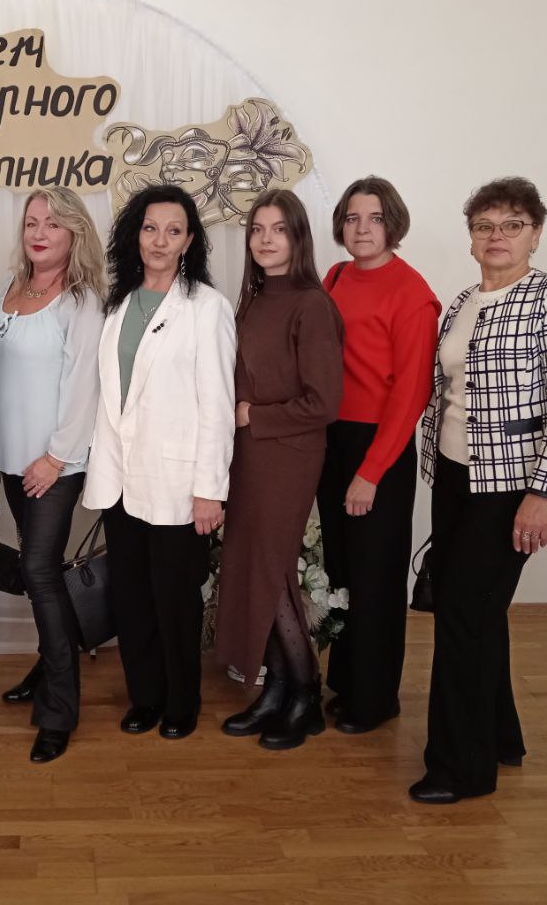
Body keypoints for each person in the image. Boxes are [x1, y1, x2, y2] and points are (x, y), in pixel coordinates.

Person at [410, 177, 547, 804]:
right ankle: (499, 736)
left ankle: (460, 769)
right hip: (454, 475)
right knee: (477, 610)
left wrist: (544, 493)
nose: (498, 236)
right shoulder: (463, 301)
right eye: (485, 226)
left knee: (464, 614)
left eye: (513, 225)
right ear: (470, 238)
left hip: (511, 484)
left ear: (535, 235)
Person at [83, 183, 236, 740]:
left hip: (177, 482)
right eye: (151, 228)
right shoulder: (118, 302)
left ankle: (181, 702)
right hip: (121, 479)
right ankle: (144, 696)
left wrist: (210, 489)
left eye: (174, 231)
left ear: (189, 241)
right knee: (132, 596)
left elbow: (218, 406)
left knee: (175, 600)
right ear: (135, 234)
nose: (160, 240)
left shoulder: (207, 309)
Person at [215, 189, 344, 750]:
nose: (266, 239)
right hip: (248, 456)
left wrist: (254, 416)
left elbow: (324, 402)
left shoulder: (311, 305)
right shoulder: (252, 298)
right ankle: (276, 691)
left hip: (287, 454)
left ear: (299, 238)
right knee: (252, 569)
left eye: (279, 229)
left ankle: (305, 695)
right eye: (257, 229)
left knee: (272, 573)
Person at [0, 186, 106, 763]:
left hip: (54, 463)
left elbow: (87, 387)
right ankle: (46, 666)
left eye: (53, 224)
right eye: (32, 222)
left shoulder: (81, 302)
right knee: (45, 573)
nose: (39, 232)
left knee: (37, 569)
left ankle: (60, 710)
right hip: (12, 458)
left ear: (74, 233)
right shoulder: (11, 289)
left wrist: (55, 458)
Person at [317, 176, 440, 735]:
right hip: (334, 439)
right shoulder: (336, 277)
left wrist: (370, 472)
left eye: (374, 218)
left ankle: (375, 698)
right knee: (341, 569)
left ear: (393, 224)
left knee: (376, 576)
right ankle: (346, 682)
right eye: (352, 218)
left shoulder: (412, 294)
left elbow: (412, 393)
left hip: (379, 446)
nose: (362, 229)